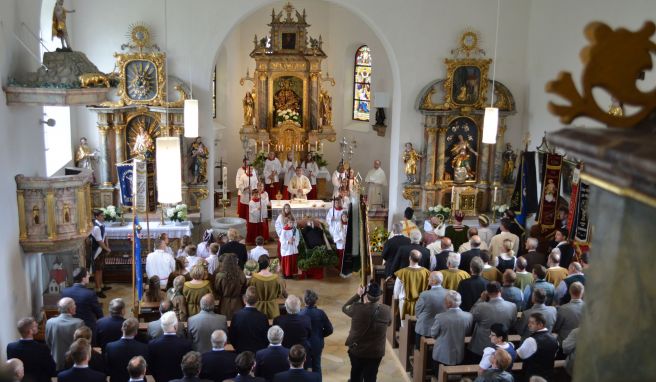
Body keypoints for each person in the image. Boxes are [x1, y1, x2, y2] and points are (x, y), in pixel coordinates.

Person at [343, 282, 392, 382]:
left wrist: (358, 295)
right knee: (371, 376)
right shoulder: (386, 310)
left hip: (357, 350)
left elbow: (344, 308)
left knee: (356, 374)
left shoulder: (357, 308)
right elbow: (389, 323)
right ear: (379, 296)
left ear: (366, 295)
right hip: (376, 352)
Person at [469, 282, 518, 361]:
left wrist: (481, 299)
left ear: (487, 293)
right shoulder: (512, 306)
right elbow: (512, 324)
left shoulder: (481, 306)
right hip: (502, 346)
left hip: (481, 346)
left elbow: (470, 317)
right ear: (500, 290)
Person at [431, 290, 474, 367]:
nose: (444, 302)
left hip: (442, 354)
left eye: (445, 301)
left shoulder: (440, 317)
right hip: (459, 353)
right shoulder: (469, 316)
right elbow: (467, 332)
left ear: (449, 303)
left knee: (439, 376)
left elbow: (433, 334)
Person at [6, 317, 56, 382]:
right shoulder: (42, 348)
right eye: (35, 326)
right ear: (30, 331)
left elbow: (12, 369)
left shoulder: (10, 347)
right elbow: (51, 369)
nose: (37, 326)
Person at [148, 311, 193, 382]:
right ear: (175, 326)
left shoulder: (152, 344)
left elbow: (150, 367)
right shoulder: (186, 345)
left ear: (162, 327)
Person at [60, 268, 103, 341]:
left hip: (69, 326)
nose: (89, 276)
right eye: (87, 275)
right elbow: (98, 312)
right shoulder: (90, 293)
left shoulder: (64, 292)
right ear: (83, 278)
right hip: (86, 328)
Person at [516, 312, 559, 380]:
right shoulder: (554, 339)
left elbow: (518, 355)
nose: (529, 325)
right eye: (529, 322)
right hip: (548, 376)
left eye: (532, 323)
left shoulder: (531, 340)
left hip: (533, 377)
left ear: (540, 325)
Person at [299, 289, 333, 375]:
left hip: (304, 344)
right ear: (316, 301)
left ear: (304, 300)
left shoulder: (300, 314)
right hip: (317, 343)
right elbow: (330, 329)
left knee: (304, 366)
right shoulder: (320, 313)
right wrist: (320, 335)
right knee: (317, 366)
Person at [229, 287, 270, 354]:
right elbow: (266, 338)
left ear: (245, 299)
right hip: (258, 353)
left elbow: (232, 336)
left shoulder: (237, 315)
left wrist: (238, 348)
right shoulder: (262, 317)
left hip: (240, 352)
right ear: (257, 300)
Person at [393, 250, 430, 320]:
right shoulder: (426, 272)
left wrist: (396, 303)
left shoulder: (402, 272)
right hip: (421, 304)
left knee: (404, 328)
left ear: (409, 258)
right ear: (419, 259)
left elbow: (396, 291)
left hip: (405, 304)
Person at [215, 253, 247, 320]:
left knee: (225, 322)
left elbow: (217, 289)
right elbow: (244, 289)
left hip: (224, 303)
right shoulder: (241, 274)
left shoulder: (219, 276)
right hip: (238, 303)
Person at [88, 209, 111, 298]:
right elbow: (99, 241)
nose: (103, 217)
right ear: (96, 217)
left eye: (103, 215)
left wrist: (107, 247)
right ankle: (97, 289)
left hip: (102, 250)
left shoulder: (101, 225)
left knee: (100, 269)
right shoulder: (96, 227)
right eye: (101, 216)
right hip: (97, 251)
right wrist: (107, 249)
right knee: (97, 271)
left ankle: (101, 285)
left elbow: (105, 236)